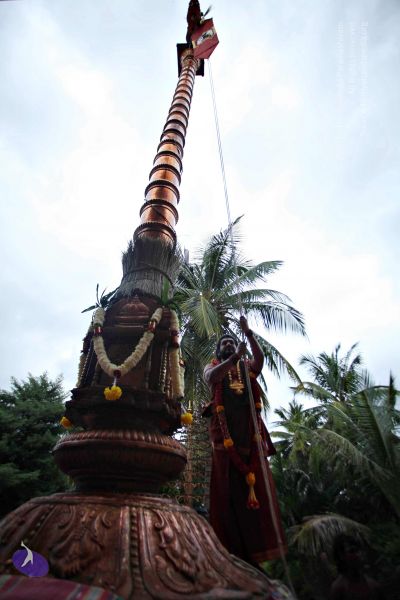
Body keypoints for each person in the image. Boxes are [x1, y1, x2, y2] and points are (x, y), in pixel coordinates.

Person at [203, 316, 286, 567]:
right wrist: (234, 358)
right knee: (227, 494)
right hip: (224, 441)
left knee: (258, 495)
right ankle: (230, 554)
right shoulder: (214, 366)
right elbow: (211, 377)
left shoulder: (247, 367)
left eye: (231, 342)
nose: (228, 344)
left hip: (250, 438)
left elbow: (260, 360)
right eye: (224, 343)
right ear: (219, 351)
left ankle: (256, 556)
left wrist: (248, 333)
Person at [329, 534, 386, 600]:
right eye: (352, 551)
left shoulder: (374, 586)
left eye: (359, 550)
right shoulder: (339, 589)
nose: (358, 554)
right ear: (341, 556)